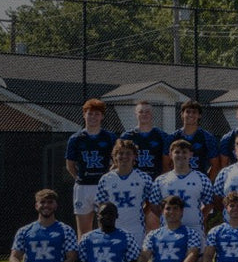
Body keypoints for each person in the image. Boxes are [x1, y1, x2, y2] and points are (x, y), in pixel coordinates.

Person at [95, 139, 163, 245]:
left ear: (134, 156)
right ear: (115, 156)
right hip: (113, 228)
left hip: (136, 229)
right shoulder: (106, 179)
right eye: (120, 153)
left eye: (128, 153)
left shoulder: (144, 178)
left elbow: (153, 201)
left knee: (136, 260)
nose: (124, 156)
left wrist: (142, 211)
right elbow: (100, 205)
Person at [65, 98, 118, 234]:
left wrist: (106, 176)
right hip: (83, 188)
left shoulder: (110, 137)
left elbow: (117, 160)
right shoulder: (76, 139)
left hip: (103, 187)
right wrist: (79, 177)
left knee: (106, 227)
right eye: (90, 113)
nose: (93, 117)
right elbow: (70, 165)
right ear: (84, 115)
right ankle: (83, 256)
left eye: (97, 114)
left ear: (102, 117)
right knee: (83, 231)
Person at [154, 139, 217, 233]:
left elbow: (210, 203)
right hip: (168, 229)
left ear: (190, 154)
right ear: (170, 155)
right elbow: (153, 204)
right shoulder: (161, 180)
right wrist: (166, 216)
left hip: (194, 228)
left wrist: (199, 217)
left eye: (184, 152)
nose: (181, 155)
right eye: (177, 152)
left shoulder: (202, 178)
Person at [170, 99, 223, 178]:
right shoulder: (173, 137)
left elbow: (215, 165)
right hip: (177, 181)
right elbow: (167, 164)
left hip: (198, 182)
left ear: (199, 115)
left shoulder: (207, 138)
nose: (191, 115)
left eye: (194, 112)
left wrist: (206, 181)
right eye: (188, 112)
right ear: (182, 114)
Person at [120, 99, 169, 177]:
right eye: (141, 112)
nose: (144, 114)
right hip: (134, 181)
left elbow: (166, 164)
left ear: (152, 114)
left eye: (147, 112)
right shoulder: (127, 136)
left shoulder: (162, 136)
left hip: (155, 180)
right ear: (136, 114)